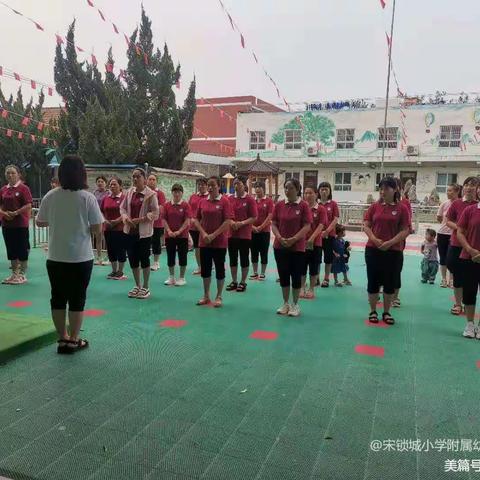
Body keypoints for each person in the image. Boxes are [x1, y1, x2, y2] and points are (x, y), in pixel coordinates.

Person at [36, 155, 103, 354]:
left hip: (56, 257)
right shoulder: (87, 197)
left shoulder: (51, 195)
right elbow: (97, 228)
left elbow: (39, 221)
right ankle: (74, 340)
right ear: (82, 174)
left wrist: (58, 221)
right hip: (80, 258)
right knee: (77, 298)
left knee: (57, 298)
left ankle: (62, 338)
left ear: (61, 173)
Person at [363, 177, 410, 325]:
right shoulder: (374, 207)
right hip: (373, 250)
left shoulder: (402, 208)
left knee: (390, 281)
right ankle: (372, 311)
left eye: (386, 188)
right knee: (373, 280)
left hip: (393, 251)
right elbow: (366, 225)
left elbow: (405, 230)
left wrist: (390, 242)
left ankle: (386, 312)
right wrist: (375, 240)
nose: (383, 192)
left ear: (395, 189)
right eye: (381, 188)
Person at [272, 178, 312, 317]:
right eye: (286, 188)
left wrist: (294, 239)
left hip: (297, 248)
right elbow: (274, 224)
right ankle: (285, 303)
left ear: (297, 189)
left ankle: (295, 304)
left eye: (291, 188)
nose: (287, 191)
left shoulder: (304, 206)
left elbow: (307, 226)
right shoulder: (279, 205)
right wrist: (279, 237)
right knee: (283, 275)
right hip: (280, 246)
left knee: (295, 277)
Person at [193, 176, 233, 308]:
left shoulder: (225, 202)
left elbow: (227, 221)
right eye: (208, 185)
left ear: (218, 186)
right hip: (204, 241)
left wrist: (214, 235)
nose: (210, 188)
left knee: (220, 268)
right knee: (205, 269)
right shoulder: (202, 202)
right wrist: (204, 233)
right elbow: (196, 219)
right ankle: (206, 295)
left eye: (212, 185)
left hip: (219, 242)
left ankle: (219, 296)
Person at [120, 168, 159, 299]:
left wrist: (141, 219)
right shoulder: (129, 192)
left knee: (144, 258)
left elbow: (155, 213)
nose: (135, 179)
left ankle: (146, 287)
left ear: (144, 178)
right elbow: (123, 208)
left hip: (144, 233)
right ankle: (137, 285)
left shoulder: (151, 194)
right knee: (132, 258)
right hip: (130, 231)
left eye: (138, 177)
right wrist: (126, 219)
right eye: (133, 177)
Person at [446, 177, 479, 315]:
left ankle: (468, 303)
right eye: (467, 184)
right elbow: (447, 220)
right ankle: (458, 303)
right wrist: (461, 228)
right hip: (458, 244)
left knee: (471, 278)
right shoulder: (456, 203)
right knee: (458, 275)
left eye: (473, 185)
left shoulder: (477, 206)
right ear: (463, 188)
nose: (469, 187)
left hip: (474, 249)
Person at [0, 165, 32, 284]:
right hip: (7, 225)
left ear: (18, 174)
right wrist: (4, 213)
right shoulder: (3, 189)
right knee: (11, 249)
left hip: (20, 224)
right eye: (8, 173)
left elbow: (28, 204)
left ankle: (22, 275)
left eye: (13, 173)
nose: (10, 175)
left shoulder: (24, 188)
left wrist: (16, 212)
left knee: (22, 249)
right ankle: (14, 274)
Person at [226, 176, 257, 292]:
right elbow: (226, 215)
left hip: (244, 234)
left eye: (238, 184)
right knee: (233, 258)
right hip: (231, 234)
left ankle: (243, 282)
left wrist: (241, 223)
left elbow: (254, 217)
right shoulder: (229, 199)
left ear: (244, 185)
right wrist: (232, 222)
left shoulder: (250, 199)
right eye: (234, 184)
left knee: (244, 258)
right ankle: (234, 281)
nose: (236, 186)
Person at [456, 199, 480, 338]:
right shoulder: (470, 210)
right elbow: (460, 232)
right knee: (469, 292)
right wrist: (470, 250)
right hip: (469, 257)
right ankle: (470, 324)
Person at [300, 185, 327, 298]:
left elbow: (321, 225)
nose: (308, 195)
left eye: (310, 193)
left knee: (313, 267)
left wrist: (311, 239)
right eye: (306, 193)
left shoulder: (321, 209)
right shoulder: (301, 207)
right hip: (301, 243)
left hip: (315, 244)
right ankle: (301, 288)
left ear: (316, 194)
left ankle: (311, 289)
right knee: (301, 266)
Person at [163, 184, 192, 286]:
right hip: (169, 235)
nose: (176, 194)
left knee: (182, 256)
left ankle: (182, 278)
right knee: (170, 256)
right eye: (175, 191)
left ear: (182, 193)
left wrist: (179, 231)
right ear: (172, 193)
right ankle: (171, 277)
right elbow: (164, 219)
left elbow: (187, 220)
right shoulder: (167, 205)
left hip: (182, 236)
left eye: (179, 192)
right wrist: (169, 231)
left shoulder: (186, 205)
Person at [391, 178, 413, 308]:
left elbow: (407, 225)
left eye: (393, 187)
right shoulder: (379, 203)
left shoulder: (405, 203)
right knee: (381, 267)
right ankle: (378, 291)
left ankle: (395, 296)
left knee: (395, 269)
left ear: (398, 188)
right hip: (381, 243)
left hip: (398, 243)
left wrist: (396, 238)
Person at [100, 177, 127, 280]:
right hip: (108, 228)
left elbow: (126, 212)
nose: (112, 186)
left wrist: (117, 220)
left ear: (120, 186)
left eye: (115, 184)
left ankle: (120, 271)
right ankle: (114, 270)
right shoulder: (106, 198)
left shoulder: (124, 198)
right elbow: (101, 211)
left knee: (120, 249)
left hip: (120, 229)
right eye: (111, 184)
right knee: (111, 250)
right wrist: (105, 221)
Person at [437, 183, 462, 287]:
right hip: (442, 234)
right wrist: (445, 224)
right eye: (447, 190)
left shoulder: (461, 204)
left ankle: (452, 280)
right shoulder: (444, 204)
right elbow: (439, 217)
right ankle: (443, 279)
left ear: (457, 192)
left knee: (451, 259)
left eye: (451, 190)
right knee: (443, 257)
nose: (448, 193)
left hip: (455, 235)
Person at [250, 182, 274, 281]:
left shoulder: (269, 201)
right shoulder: (252, 201)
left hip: (264, 232)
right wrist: (252, 227)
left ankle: (263, 273)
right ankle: (255, 273)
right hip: (252, 231)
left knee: (263, 252)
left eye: (259, 187)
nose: (257, 189)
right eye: (256, 187)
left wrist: (261, 227)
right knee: (253, 252)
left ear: (263, 189)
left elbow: (270, 216)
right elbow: (248, 215)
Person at [318, 182, 340, 288]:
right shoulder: (315, 204)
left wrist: (327, 231)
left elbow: (335, 219)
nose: (324, 191)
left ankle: (326, 278)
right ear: (318, 191)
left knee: (328, 257)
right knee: (316, 257)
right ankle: (316, 277)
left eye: (326, 189)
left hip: (329, 235)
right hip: (316, 236)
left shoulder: (333, 204)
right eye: (322, 189)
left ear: (330, 191)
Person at [188, 178, 209, 275]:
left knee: (207, 247)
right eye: (199, 185)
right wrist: (191, 219)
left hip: (205, 227)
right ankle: (200, 266)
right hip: (193, 226)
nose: (201, 186)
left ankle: (209, 265)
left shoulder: (209, 197)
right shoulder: (193, 197)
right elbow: (188, 210)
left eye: (203, 184)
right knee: (197, 247)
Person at [147, 173, 166, 271]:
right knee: (145, 242)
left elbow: (162, 207)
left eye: (153, 179)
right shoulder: (144, 192)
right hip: (145, 222)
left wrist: (152, 214)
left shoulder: (160, 193)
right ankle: (145, 260)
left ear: (156, 181)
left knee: (156, 242)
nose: (151, 181)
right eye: (150, 179)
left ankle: (156, 262)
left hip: (157, 223)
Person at [93, 175, 109, 265]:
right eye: (98, 181)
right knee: (98, 238)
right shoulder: (94, 193)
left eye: (102, 182)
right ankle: (99, 257)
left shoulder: (108, 193)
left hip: (106, 218)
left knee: (107, 238)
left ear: (105, 183)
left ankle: (108, 257)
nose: (100, 183)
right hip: (97, 218)